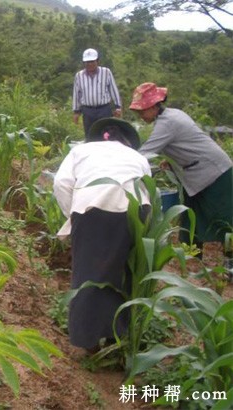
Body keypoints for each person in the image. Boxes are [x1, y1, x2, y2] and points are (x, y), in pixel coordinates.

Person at [53, 118, 151, 353]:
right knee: (123, 275)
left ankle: (88, 341)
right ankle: (118, 338)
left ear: (98, 137)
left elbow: (61, 183)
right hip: (133, 212)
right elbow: (149, 191)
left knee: (87, 274)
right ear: (126, 141)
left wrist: (74, 215)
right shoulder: (138, 157)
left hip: (92, 208)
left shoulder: (82, 150)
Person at [130, 82, 233, 260]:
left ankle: (229, 263)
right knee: (189, 218)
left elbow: (144, 153)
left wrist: (121, 162)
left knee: (225, 220)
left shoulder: (167, 123)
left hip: (214, 173)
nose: (140, 114)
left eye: (142, 110)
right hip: (197, 176)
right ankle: (191, 259)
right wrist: (172, 160)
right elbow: (186, 143)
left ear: (155, 105)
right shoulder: (173, 114)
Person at [72, 48, 122, 137]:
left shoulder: (106, 72)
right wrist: (76, 112)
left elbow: (113, 90)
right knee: (90, 135)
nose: (90, 64)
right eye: (87, 62)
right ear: (84, 63)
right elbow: (77, 94)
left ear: (97, 61)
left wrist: (118, 107)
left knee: (107, 135)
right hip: (87, 111)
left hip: (104, 110)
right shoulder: (79, 76)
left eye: (92, 61)